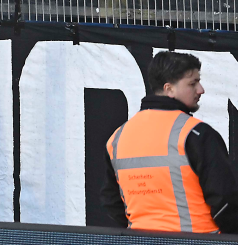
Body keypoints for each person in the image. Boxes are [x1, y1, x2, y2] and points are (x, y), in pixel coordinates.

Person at [102, 51, 237, 233]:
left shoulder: (117, 137)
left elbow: (111, 199)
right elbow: (224, 199)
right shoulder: (197, 134)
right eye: (192, 83)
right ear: (169, 89)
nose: (200, 90)